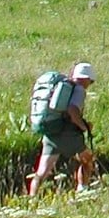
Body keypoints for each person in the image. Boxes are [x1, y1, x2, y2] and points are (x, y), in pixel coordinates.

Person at [28, 63, 95, 195]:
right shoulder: (79, 90)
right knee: (87, 159)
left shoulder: (63, 87)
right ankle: (82, 190)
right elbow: (72, 110)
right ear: (86, 78)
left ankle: (32, 199)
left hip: (51, 132)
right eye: (90, 81)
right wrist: (84, 127)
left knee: (41, 172)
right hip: (68, 134)